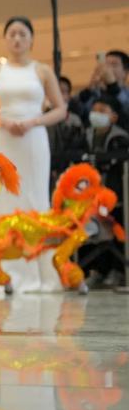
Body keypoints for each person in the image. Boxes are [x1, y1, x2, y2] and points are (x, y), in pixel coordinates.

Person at [0, 16, 68, 293]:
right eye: (12, 34)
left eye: (22, 34)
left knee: (35, 197)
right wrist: (3, 122)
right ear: (5, 39)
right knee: (7, 197)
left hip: (33, 140)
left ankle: (41, 271)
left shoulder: (42, 70)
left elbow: (60, 109)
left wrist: (34, 121)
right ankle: (4, 271)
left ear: (31, 39)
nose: (17, 39)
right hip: (5, 138)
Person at [82, 93, 129, 288]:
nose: (96, 114)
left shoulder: (120, 137)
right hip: (89, 195)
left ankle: (118, 270)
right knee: (92, 232)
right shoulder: (86, 135)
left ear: (114, 117)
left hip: (116, 196)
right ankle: (96, 270)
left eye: (102, 111)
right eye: (94, 110)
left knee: (116, 230)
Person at [47, 76, 86, 186]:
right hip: (46, 171)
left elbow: (78, 146)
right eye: (56, 91)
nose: (59, 95)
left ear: (69, 96)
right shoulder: (42, 119)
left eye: (63, 92)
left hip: (69, 172)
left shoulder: (75, 120)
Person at [75, 50, 129, 122]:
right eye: (106, 64)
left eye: (114, 65)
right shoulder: (94, 93)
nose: (107, 68)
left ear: (125, 72)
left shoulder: (126, 95)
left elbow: (125, 109)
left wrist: (112, 85)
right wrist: (88, 90)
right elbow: (76, 111)